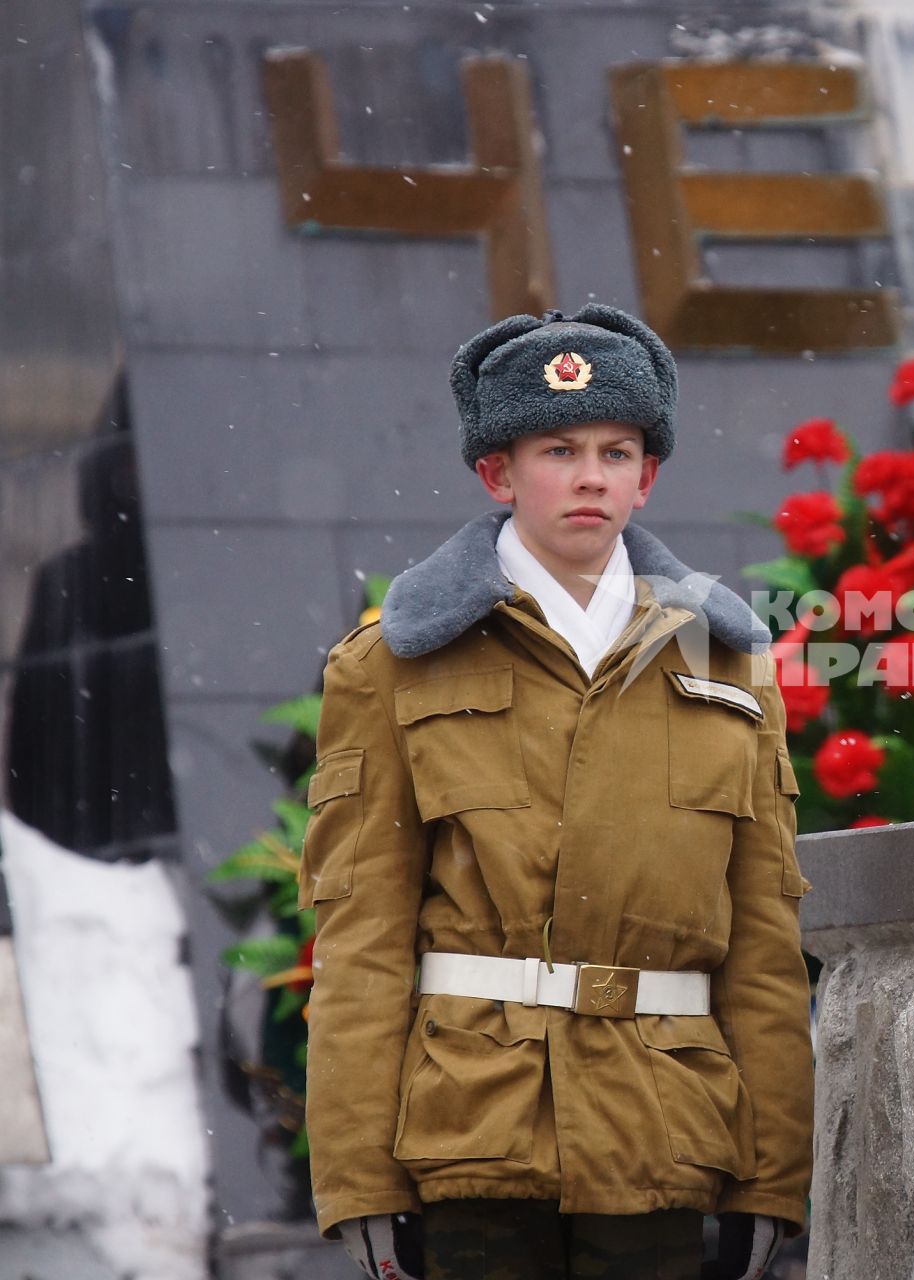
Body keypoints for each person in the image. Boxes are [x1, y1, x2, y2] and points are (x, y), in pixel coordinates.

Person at [297, 304, 813, 1280]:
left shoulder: (727, 665)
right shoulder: (394, 665)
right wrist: (360, 1177)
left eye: (617, 451)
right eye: (558, 448)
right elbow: (361, 937)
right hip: (470, 1133)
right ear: (497, 472)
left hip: (664, 1134)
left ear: (647, 478)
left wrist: (771, 1177)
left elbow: (760, 945)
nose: (590, 476)